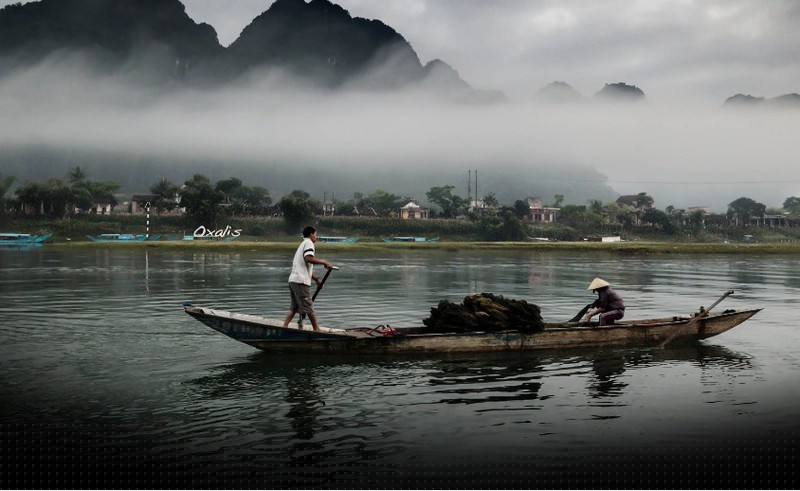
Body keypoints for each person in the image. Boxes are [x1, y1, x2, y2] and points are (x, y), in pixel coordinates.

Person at [283, 226, 334, 332]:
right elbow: (308, 259)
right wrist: (324, 262)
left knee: (294, 307)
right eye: (315, 234)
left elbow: (305, 266)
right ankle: (316, 329)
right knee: (308, 306)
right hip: (300, 281)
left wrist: (316, 279)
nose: (316, 237)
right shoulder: (309, 243)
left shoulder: (302, 245)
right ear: (311, 234)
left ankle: (284, 327)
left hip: (293, 280)